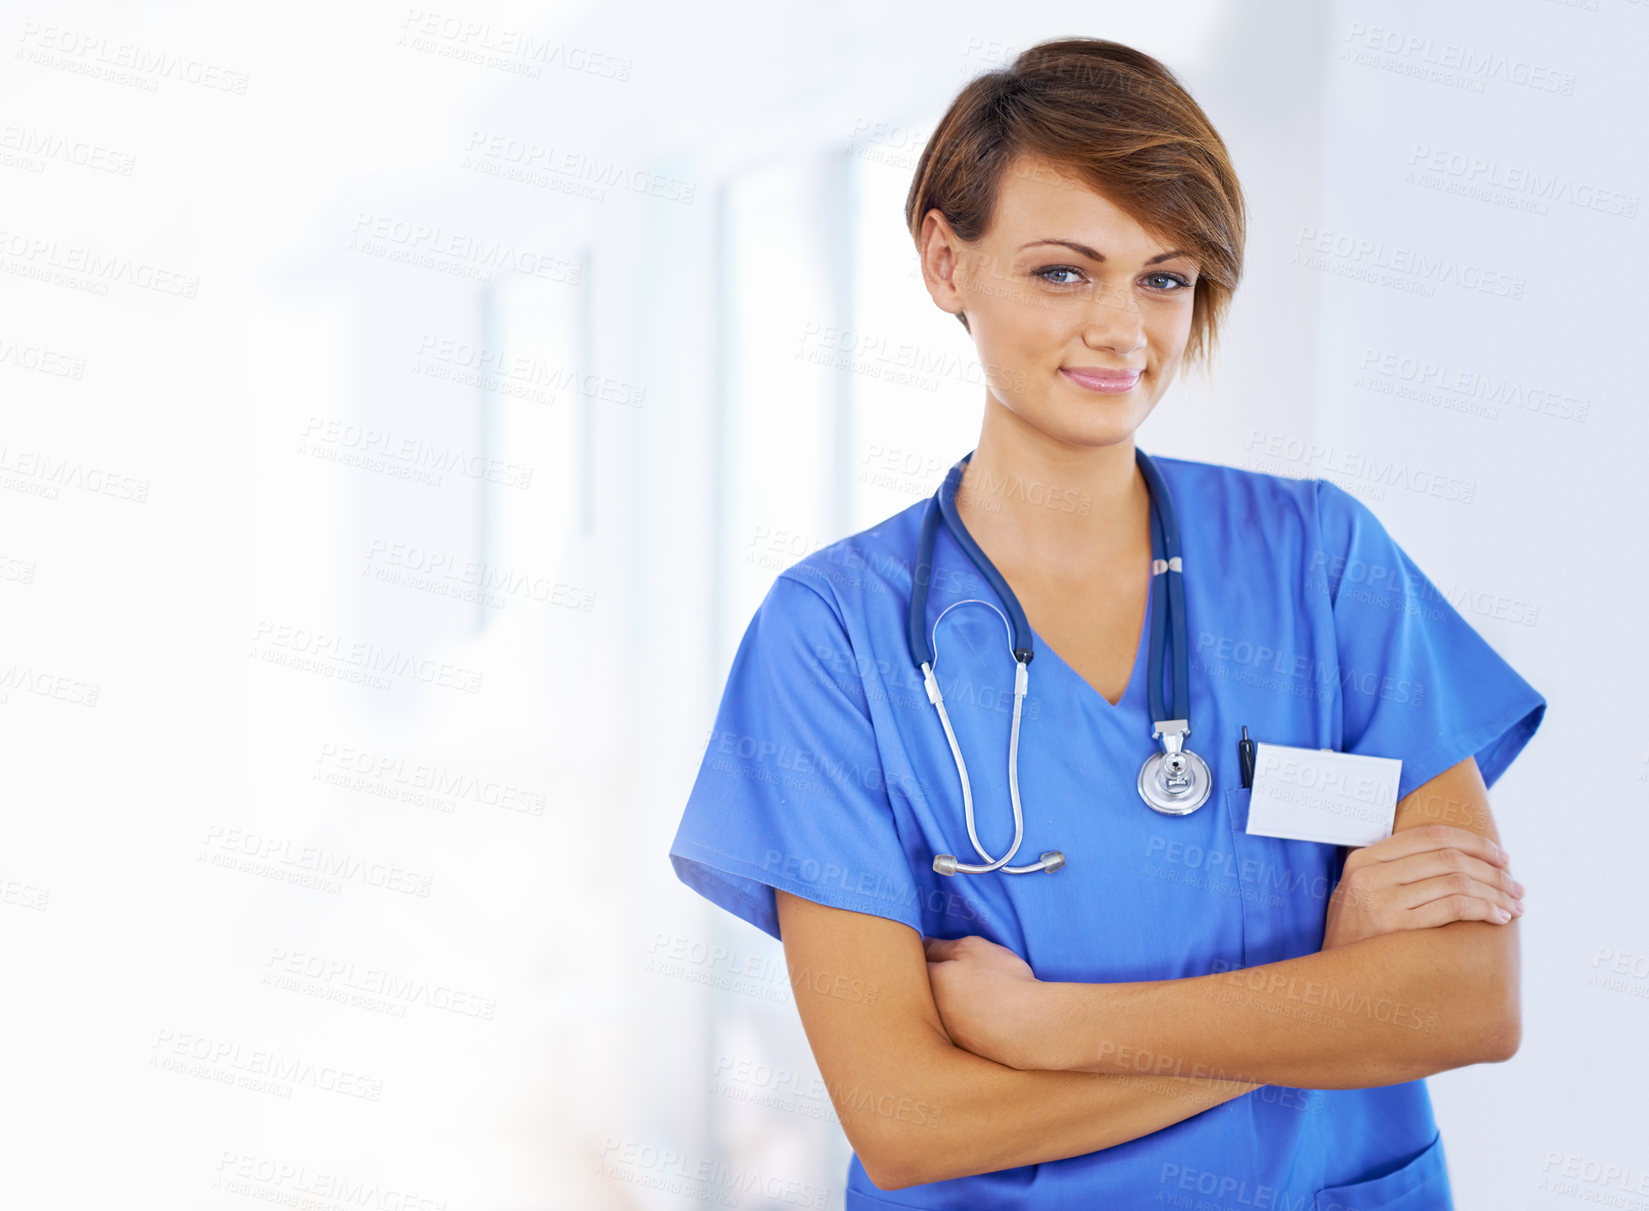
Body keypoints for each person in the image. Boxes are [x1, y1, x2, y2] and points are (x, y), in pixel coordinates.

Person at [668, 36, 1545, 1210]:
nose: (1121, 330)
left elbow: (1468, 1001)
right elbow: (910, 1121)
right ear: (944, 260)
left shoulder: (1321, 561)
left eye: (1163, 278)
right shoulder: (832, 637)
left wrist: (1048, 1025)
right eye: (1061, 272)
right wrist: (1330, 998)